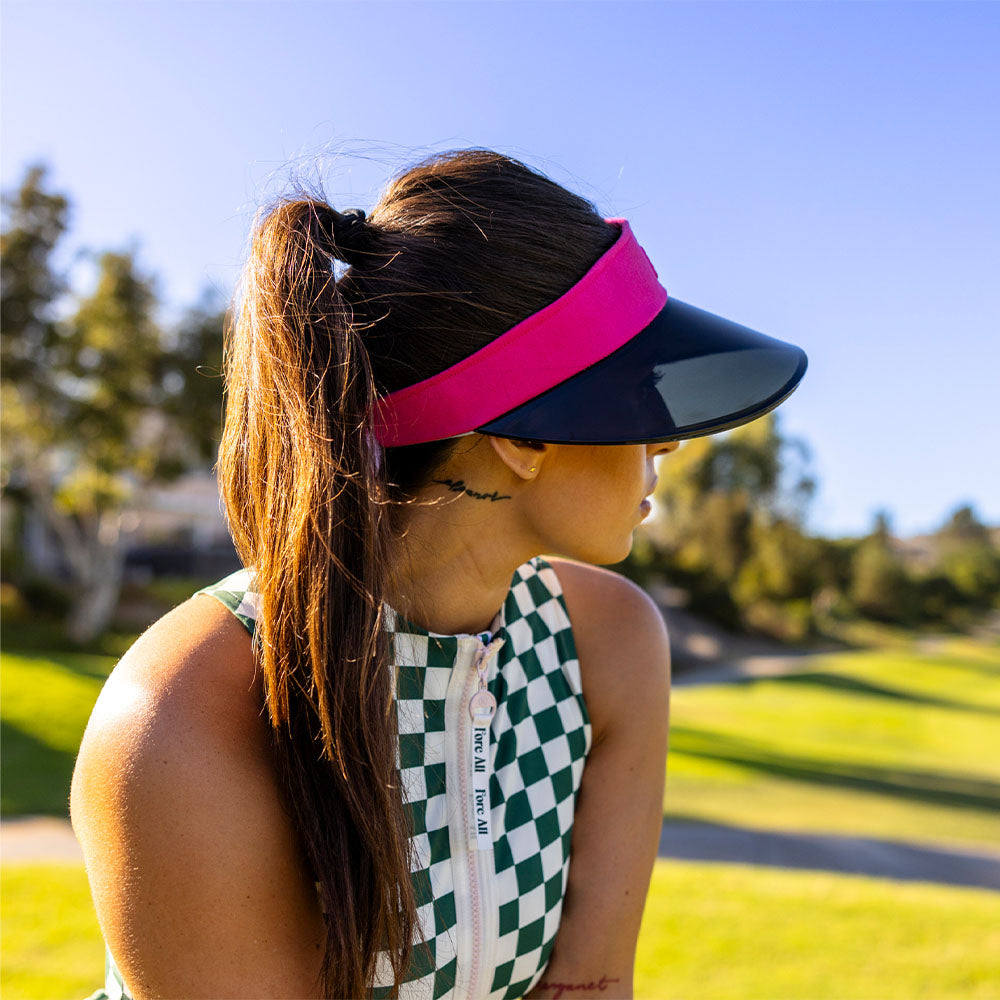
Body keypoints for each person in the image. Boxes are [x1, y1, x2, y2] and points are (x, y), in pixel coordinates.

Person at [72, 149, 807, 1000]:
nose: (669, 443)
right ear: (527, 433)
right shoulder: (181, 718)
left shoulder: (608, 645)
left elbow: (592, 986)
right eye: (632, 393)